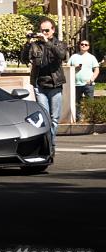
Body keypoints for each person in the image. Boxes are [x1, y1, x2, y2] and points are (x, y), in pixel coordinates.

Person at [20, 17, 67, 152]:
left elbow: (61, 55)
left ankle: (50, 144)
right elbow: (24, 59)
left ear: (53, 30)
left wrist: (47, 42)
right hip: (39, 85)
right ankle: (47, 147)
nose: (44, 33)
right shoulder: (35, 45)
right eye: (41, 30)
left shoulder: (59, 44)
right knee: (45, 117)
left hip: (55, 85)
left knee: (54, 118)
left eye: (47, 30)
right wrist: (28, 43)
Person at [68, 40, 100, 121]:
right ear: (79, 46)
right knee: (76, 103)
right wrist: (74, 67)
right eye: (82, 44)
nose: (83, 46)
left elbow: (97, 69)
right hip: (75, 84)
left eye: (86, 44)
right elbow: (67, 68)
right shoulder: (73, 56)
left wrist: (92, 79)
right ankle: (78, 119)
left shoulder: (92, 57)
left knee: (90, 103)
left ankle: (91, 119)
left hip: (88, 84)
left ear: (88, 47)